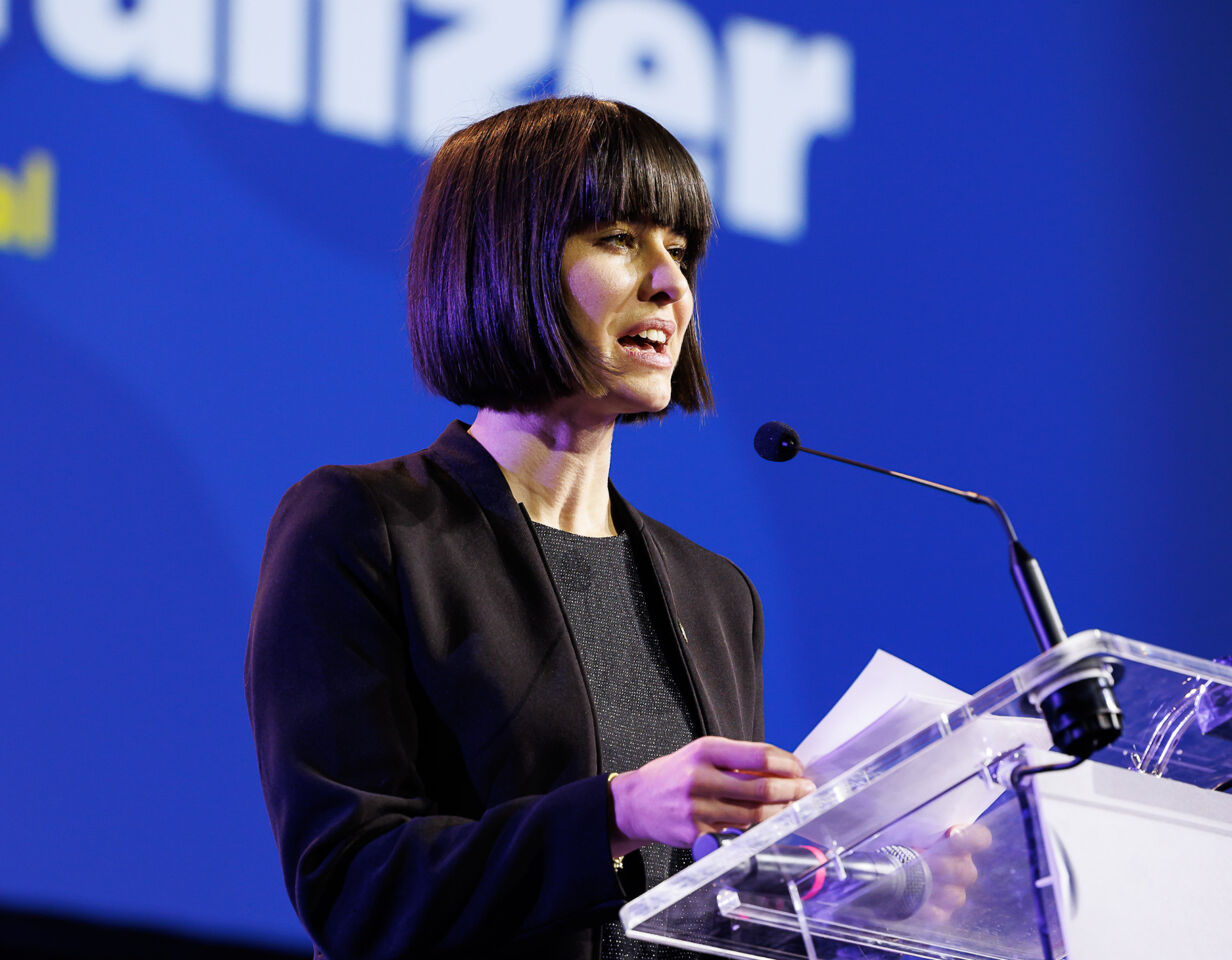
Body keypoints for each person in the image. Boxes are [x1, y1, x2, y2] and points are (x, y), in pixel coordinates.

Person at [246, 96, 976, 960]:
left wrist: (874, 890)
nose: (670, 283)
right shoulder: (366, 527)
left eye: (681, 250)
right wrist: (619, 812)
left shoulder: (715, 595)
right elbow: (358, 892)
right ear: (507, 262)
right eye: (621, 240)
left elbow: (711, 917)